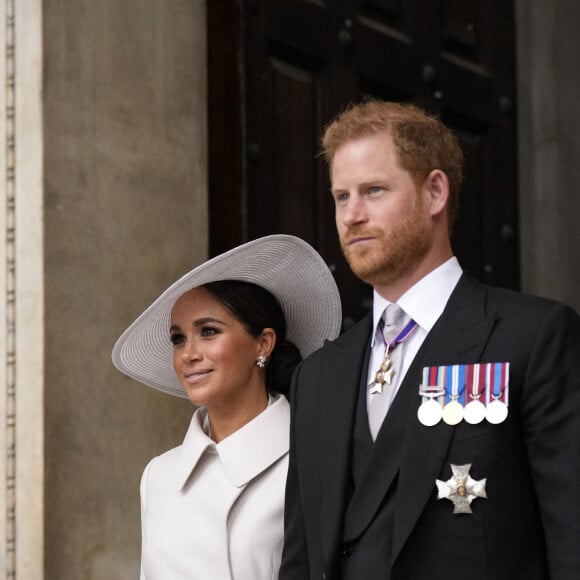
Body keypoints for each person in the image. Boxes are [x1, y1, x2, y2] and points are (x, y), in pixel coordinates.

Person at [279, 101, 580, 580]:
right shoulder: (317, 377)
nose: (351, 215)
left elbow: (571, 537)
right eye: (341, 197)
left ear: (435, 191)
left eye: (373, 191)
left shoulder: (533, 337)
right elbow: (300, 560)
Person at [112, 234, 341, 580]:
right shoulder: (158, 476)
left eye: (208, 331)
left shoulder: (314, 462)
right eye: (178, 338)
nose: (189, 353)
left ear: (263, 343)